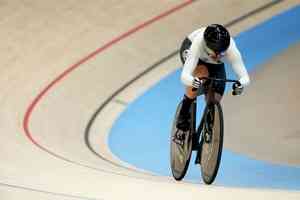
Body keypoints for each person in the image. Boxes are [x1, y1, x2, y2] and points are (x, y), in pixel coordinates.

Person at [176, 24, 250, 131]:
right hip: (193, 52)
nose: (220, 56)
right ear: (207, 46)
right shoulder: (197, 44)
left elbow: (245, 77)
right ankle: (183, 113)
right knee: (202, 73)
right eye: (217, 53)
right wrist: (193, 81)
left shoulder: (231, 48)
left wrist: (240, 84)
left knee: (216, 97)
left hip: (214, 63)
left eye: (222, 53)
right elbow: (184, 76)